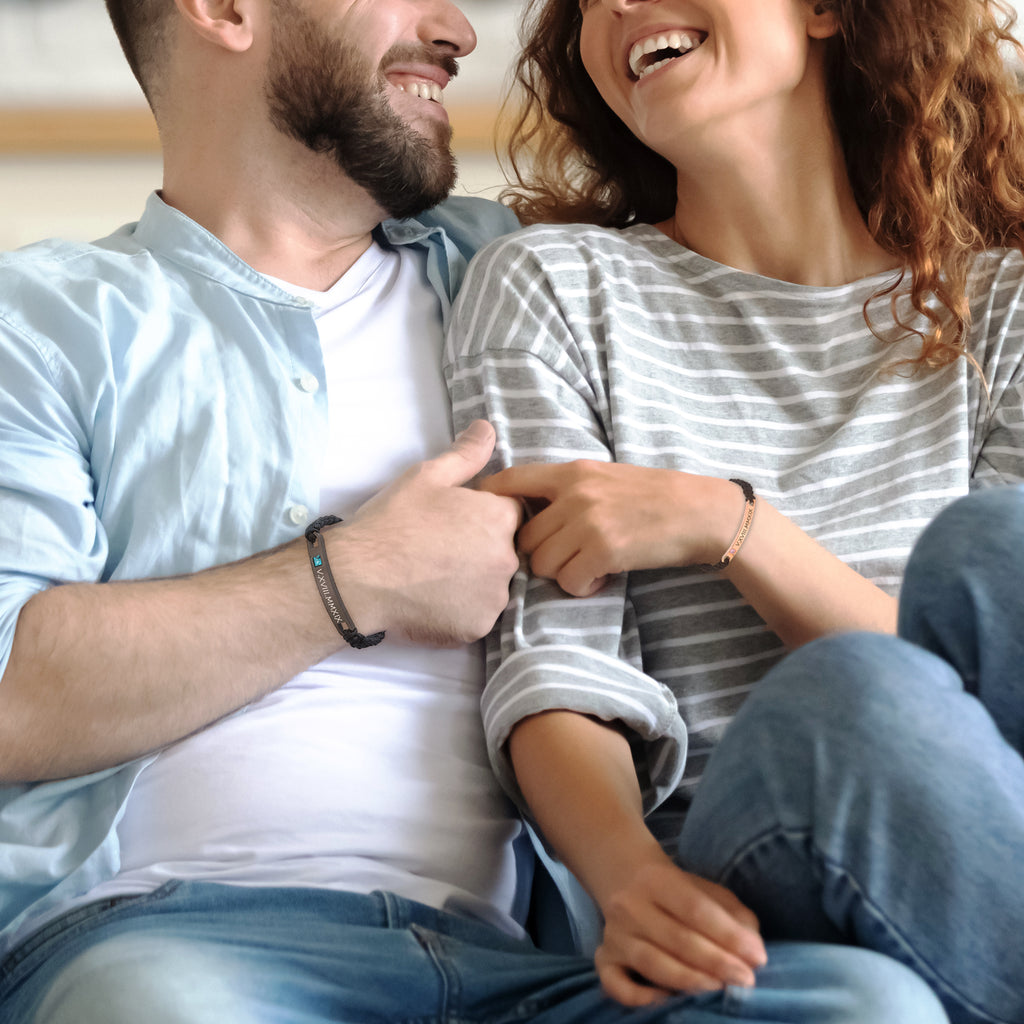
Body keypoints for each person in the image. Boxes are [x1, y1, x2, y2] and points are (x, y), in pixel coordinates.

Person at [0, 0, 946, 1022]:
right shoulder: (45, 325)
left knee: (861, 1003)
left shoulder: (527, 282)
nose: (455, 29)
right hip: (174, 940)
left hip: (526, 971)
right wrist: (354, 577)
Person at [443, 0, 1024, 1021]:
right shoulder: (556, 288)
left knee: (995, 552)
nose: (616, 6)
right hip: (750, 851)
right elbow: (555, 667)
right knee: (847, 697)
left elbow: (978, 725)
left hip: (985, 838)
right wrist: (626, 881)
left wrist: (733, 527)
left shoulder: (1005, 309)